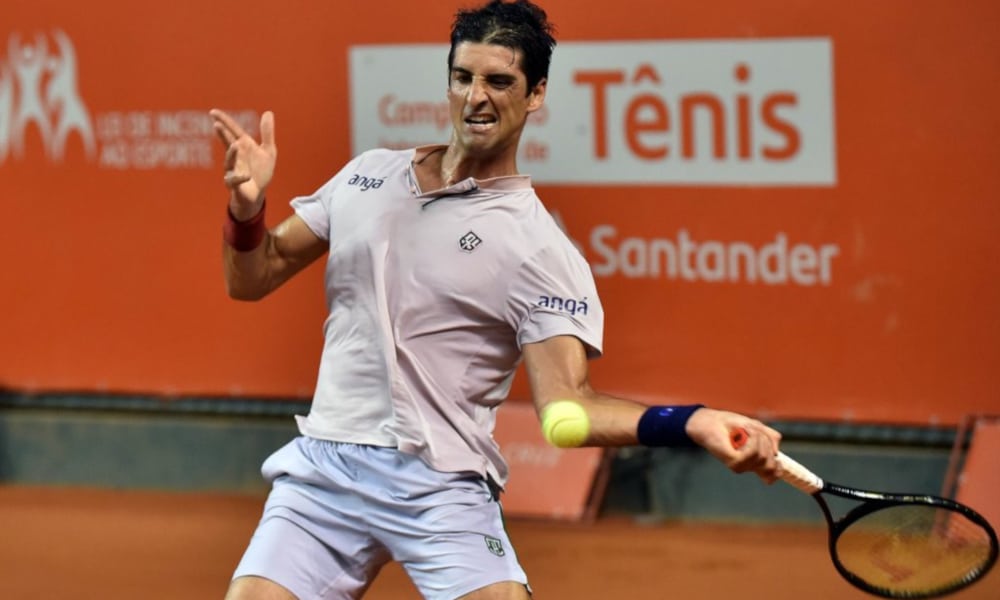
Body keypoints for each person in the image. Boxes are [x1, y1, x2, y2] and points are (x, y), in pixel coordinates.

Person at [210, 1, 782, 598]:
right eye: (464, 77)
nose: (476, 97)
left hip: (441, 485)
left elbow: (569, 409)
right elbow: (252, 278)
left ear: (536, 94)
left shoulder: (538, 249)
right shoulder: (366, 177)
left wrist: (692, 422)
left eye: (499, 81)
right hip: (325, 472)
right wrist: (246, 213)